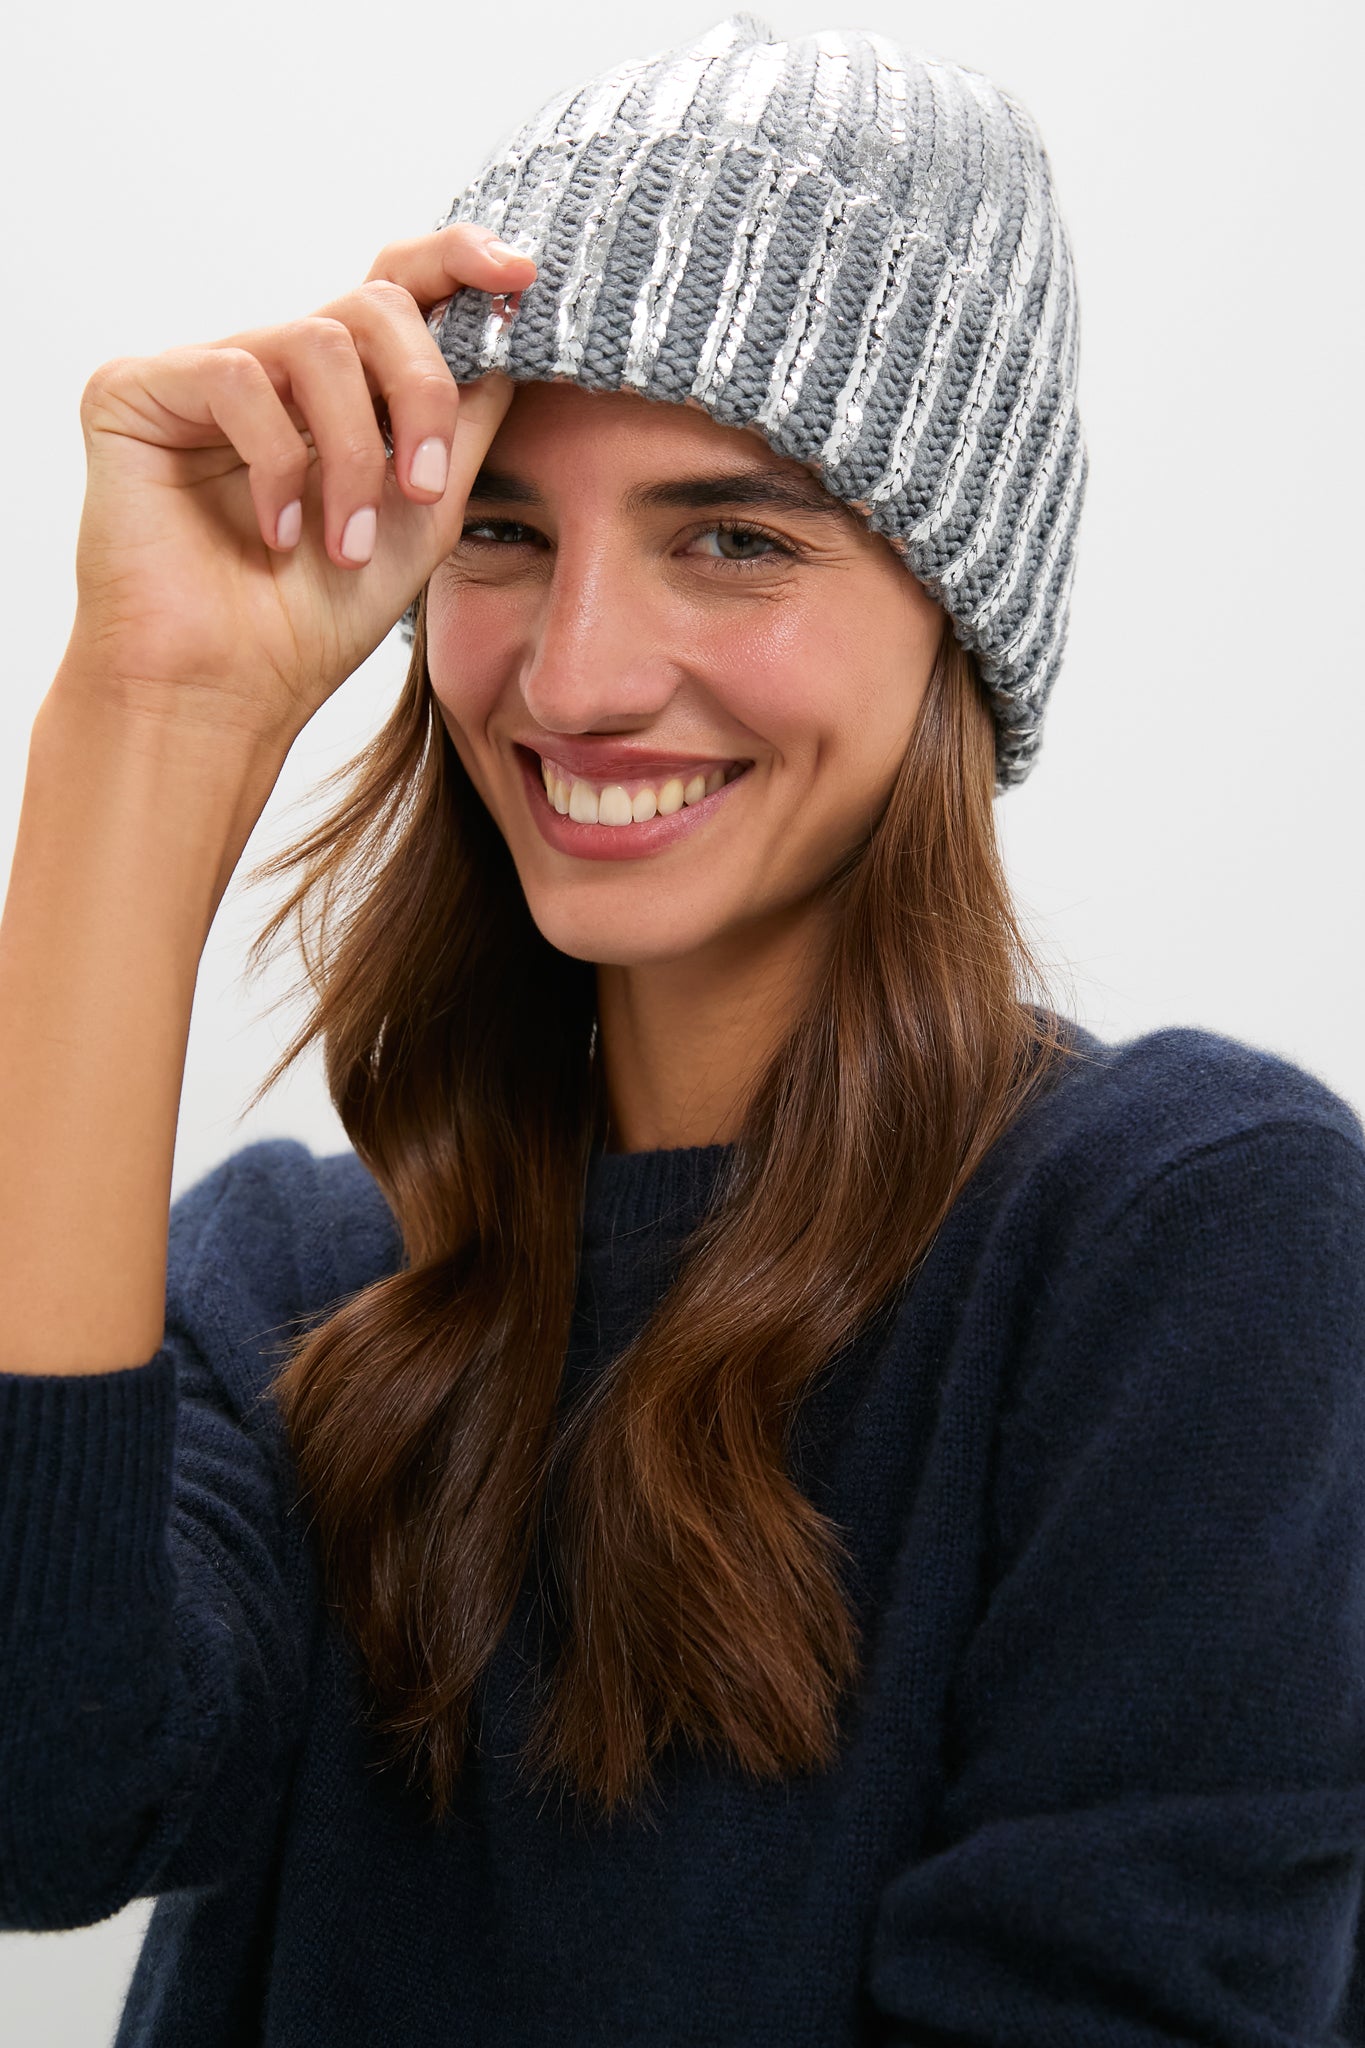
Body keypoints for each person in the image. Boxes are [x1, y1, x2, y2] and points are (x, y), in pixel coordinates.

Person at [1, 13, 1363, 2045]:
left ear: (951, 625)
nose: (576, 671)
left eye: (732, 537)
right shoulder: (298, 1282)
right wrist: (147, 712)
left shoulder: (1187, 1249)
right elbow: (41, 1805)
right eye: (501, 530)